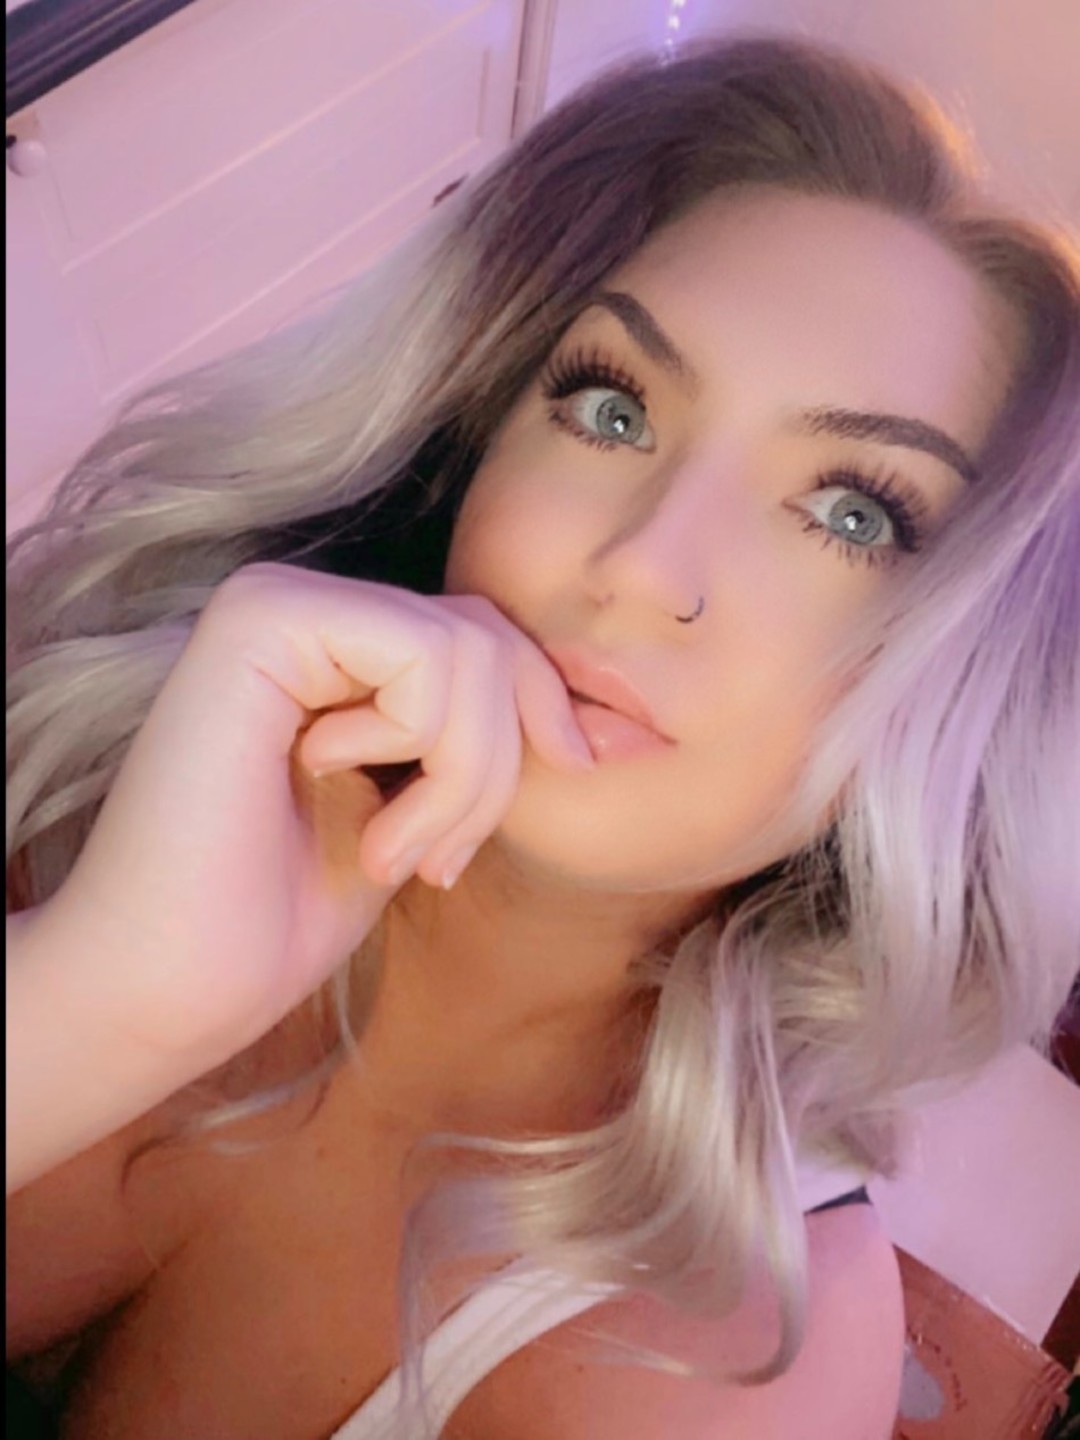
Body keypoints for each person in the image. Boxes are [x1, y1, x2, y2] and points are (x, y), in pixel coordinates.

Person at [6, 30, 1079, 1440]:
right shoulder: (96, 760)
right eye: (611, 409)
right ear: (470, 438)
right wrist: (99, 997)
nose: (643, 565)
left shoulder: (741, 1356)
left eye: (851, 515)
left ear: (968, 703)